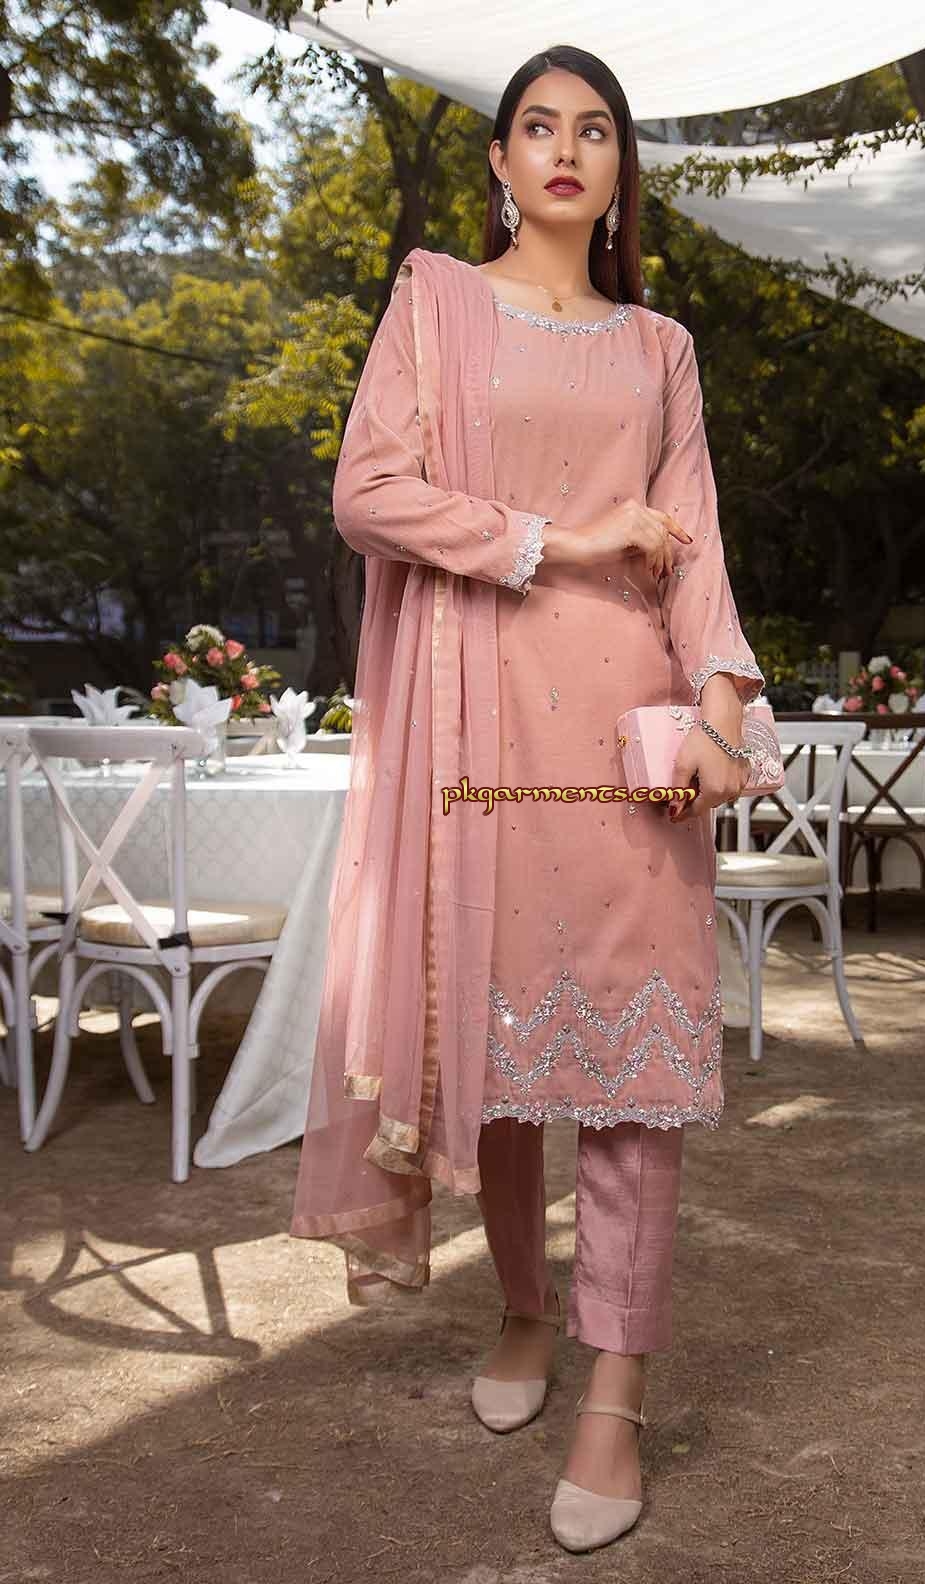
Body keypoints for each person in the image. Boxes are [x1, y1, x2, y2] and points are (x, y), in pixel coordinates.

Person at [289, 44, 764, 1555]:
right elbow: (368, 493)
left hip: (625, 740)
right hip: (479, 724)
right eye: (538, 127)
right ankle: (521, 1309)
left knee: (632, 1076)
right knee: (496, 1050)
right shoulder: (435, 299)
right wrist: (559, 539)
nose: (566, 148)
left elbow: (694, 539)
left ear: (620, 168)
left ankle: (615, 1395)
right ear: (499, 162)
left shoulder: (659, 347)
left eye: (595, 129)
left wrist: (720, 709)